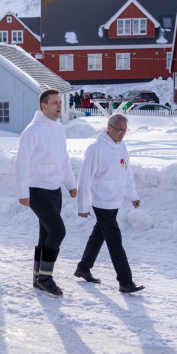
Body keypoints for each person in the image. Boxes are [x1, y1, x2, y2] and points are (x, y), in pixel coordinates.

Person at [16, 89, 77, 297]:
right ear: (43, 106)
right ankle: (46, 277)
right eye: (54, 103)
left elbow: (63, 159)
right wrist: (23, 192)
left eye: (60, 102)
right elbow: (21, 163)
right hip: (36, 190)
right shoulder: (32, 130)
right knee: (58, 231)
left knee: (47, 234)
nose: (59, 106)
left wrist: (70, 183)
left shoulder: (59, 129)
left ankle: (37, 277)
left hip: (54, 189)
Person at [74, 113, 144, 293]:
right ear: (109, 127)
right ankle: (125, 281)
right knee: (115, 240)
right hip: (101, 201)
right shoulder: (96, 148)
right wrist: (83, 206)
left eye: (125, 130)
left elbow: (126, 173)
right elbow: (84, 178)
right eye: (119, 129)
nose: (122, 133)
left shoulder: (122, 147)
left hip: (115, 200)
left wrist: (132, 195)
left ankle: (83, 267)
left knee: (100, 234)